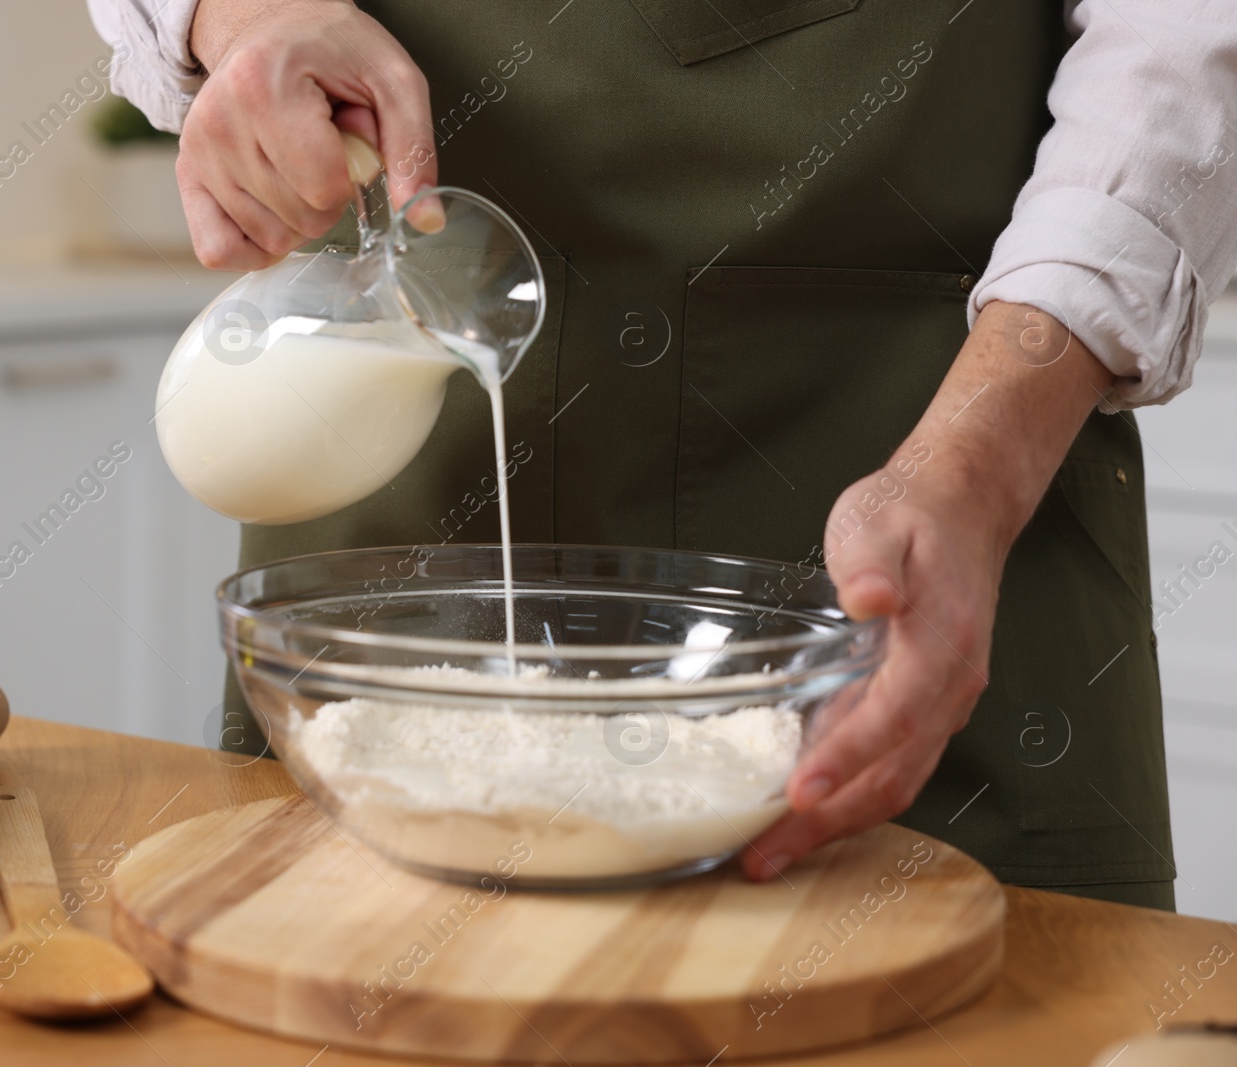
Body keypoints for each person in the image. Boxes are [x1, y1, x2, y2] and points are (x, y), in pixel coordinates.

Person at [89, 0, 1237, 909]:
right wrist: (241, 19)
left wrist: (979, 462)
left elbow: (1183, 35)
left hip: (937, 443)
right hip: (401, 479)